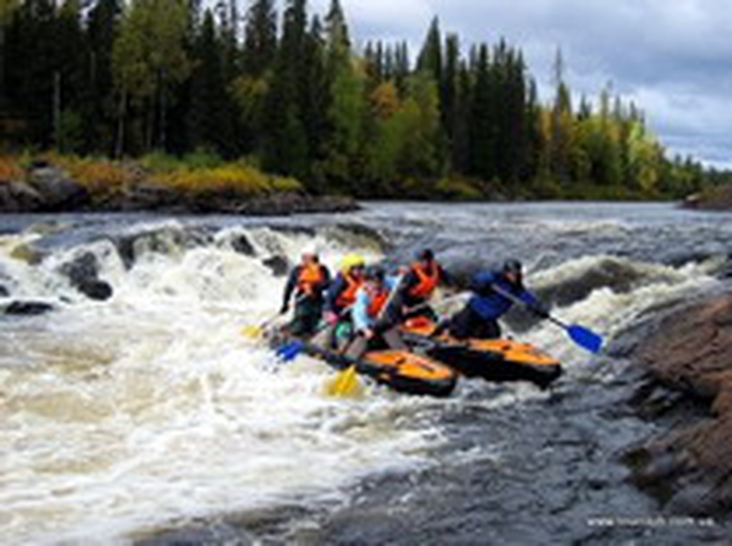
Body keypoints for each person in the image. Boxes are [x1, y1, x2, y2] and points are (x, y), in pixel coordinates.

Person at [435, 259, 548, 340]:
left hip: (488, 319)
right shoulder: (494, 278)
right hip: (473, 312)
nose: (513, 276)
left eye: (516, 274)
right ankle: (448, 324)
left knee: (494, 338)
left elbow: (529, 300)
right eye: (511, 274)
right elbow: (476, 280)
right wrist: (481, 285)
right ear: (505, 272)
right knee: (459, 334)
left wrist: (539, 309)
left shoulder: (518, 290)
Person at [345, 265, 407, 360]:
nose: (378, 286)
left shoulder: (385, 282)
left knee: (401, 348)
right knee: (353, 355)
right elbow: (358, 315)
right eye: (374, 283)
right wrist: (365, 330)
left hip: (383, 323)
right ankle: (350, 360)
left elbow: (398, 281)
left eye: (380, 282)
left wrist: (405, 274)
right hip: (367, 327)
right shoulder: (362, 295)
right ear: (366, 282)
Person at [280, 248, 331, 337]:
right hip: (302, 300)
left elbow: (328, 284)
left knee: (314, 325)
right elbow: (289, 287)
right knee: (300, 322)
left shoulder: (322, 269)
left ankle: (308, 339)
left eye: (311, 258)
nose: (305, 260)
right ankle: (286, 332)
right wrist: (285, 303)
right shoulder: (298, 270)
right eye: (304, 258)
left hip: (317, 299)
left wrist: (315, 287)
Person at [395, 248, 452, 321]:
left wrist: (452, 288)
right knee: (409, 318)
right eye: (422, 261)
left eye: (428, 260)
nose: (426, 263)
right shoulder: (412, 274)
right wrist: (404, 305)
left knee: (436, 312)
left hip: (425, 297)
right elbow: (401, 291)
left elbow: (447, 278)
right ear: (418, 262)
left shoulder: (436, 267)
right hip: (411, 301)